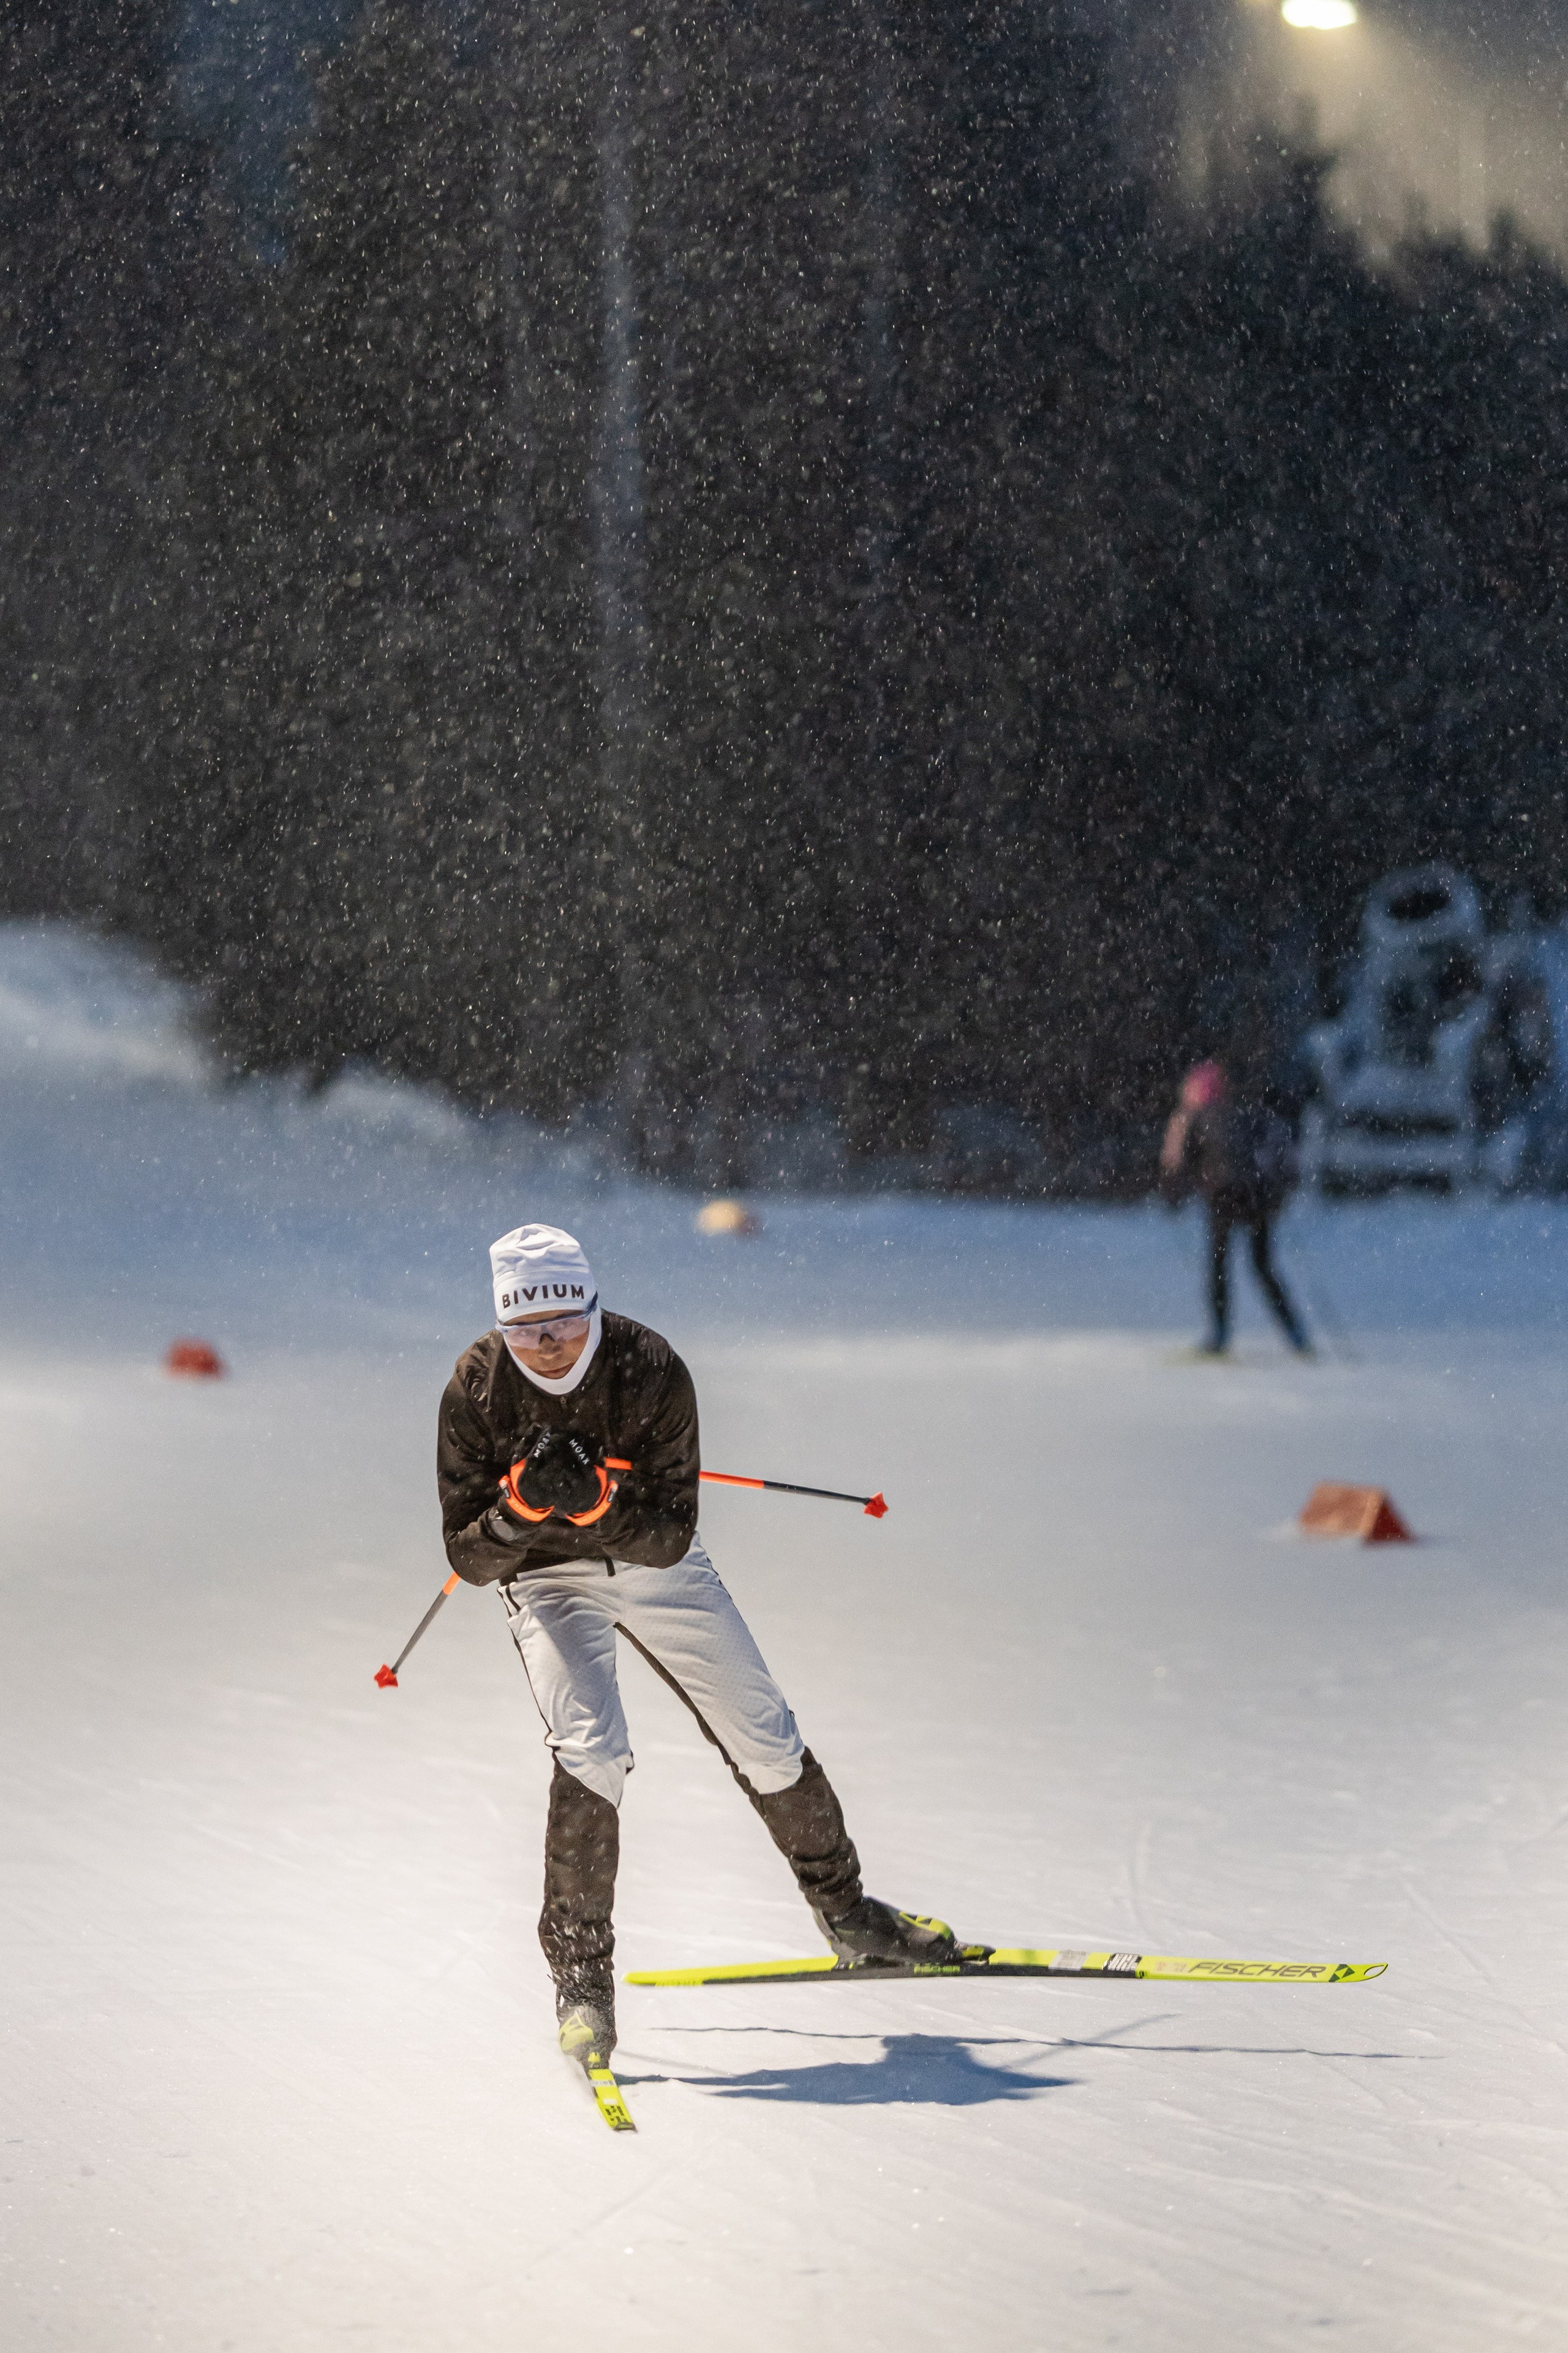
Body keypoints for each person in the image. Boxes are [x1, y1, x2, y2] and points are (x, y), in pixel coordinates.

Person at [437, 1221, 961, 2074]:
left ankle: (849, 1914)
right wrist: (524, 1510)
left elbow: (671, 1534)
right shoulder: (476, 1387)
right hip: (545, 1578)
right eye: (526, 1332)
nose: (549, 1345)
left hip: (659, 1568)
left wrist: (595, 1501)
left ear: (593, 1309)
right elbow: (468, 1555)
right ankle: (582, 1984)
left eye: (564, 1324)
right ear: (502, 1327)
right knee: (591, 1748)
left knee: (764, 1734)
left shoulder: (649, 1366)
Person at [1159, 1060, 1311, 1358]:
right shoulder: (1249, 1113)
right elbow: (1280, 1154)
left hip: (1223, 1198)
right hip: (1258, 1198)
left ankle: (1218, 1336)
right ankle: (1295, 1334)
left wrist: (1174, 1194)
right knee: (1263, 1266)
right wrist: (1277, 1193)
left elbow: (1178, 1162)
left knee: (1219, 1267)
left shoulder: (1194, 1118)